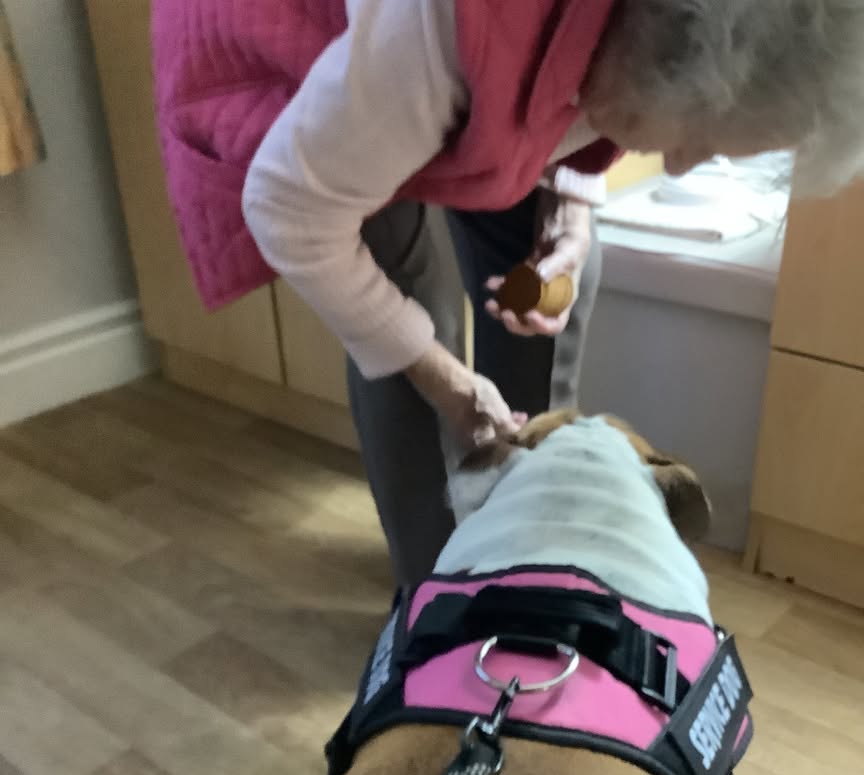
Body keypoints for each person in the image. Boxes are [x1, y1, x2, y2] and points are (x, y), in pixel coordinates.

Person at [152, 0, 864, 585]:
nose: (678, 165)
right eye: (702, 139)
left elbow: (599, 105)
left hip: (508, 56)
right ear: (661, 48)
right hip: (335, 56)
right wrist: (445, 380)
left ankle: (528, 563)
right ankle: (435, 594)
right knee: (403, 317)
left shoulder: (648, 42)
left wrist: (573, 211)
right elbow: (290, 212)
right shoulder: (435, 37)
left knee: (561, 275)